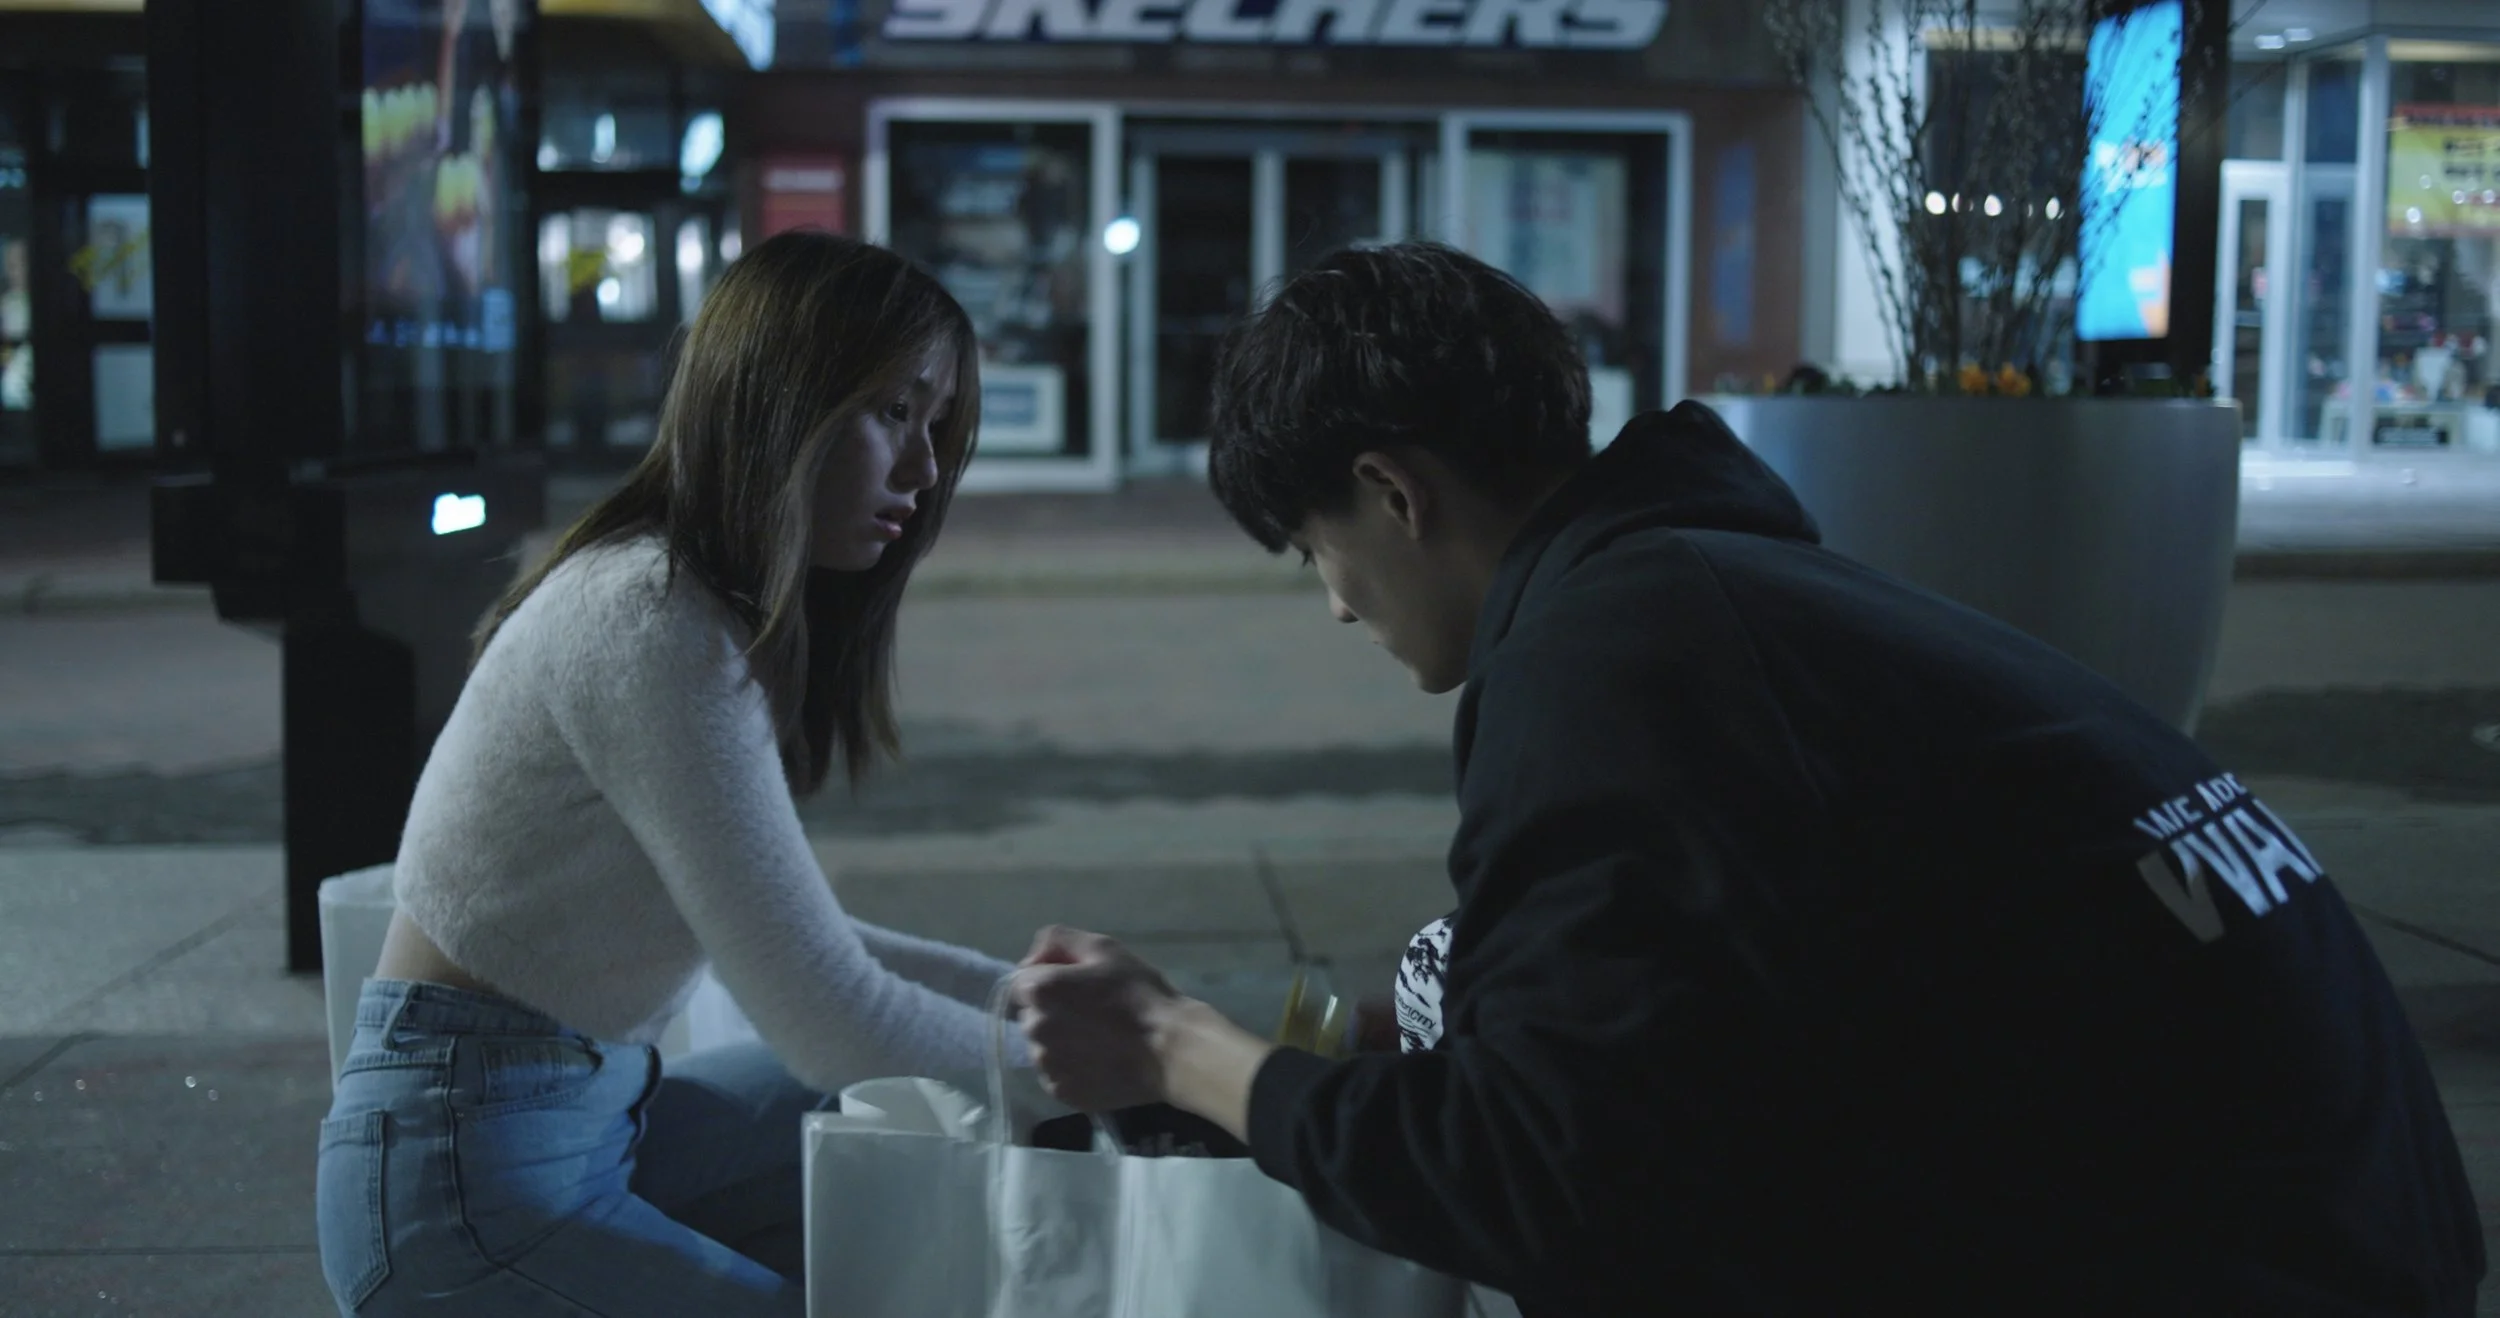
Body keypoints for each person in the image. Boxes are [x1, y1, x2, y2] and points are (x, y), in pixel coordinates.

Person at [1012, 242, 2486, 1316]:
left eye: (1319, 551)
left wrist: (1176, 1046)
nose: (1336, 603)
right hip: (2338, 1242)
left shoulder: (1613, 656)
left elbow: (1534, 1177)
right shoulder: (1724, 592)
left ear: (1396, 494)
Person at [318, 232, 1024, 1317]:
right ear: (782, 399)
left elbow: (809, 951)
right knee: (912, 1098)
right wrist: (1133, 1069)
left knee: (926, 1144)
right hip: (460, 1186)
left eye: (934, 427)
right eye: (895, 411)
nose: (925, 470)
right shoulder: (648, 620)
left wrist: (1026, 1000)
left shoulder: (687, 603)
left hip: (587, 1112)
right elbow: (827, 1015)